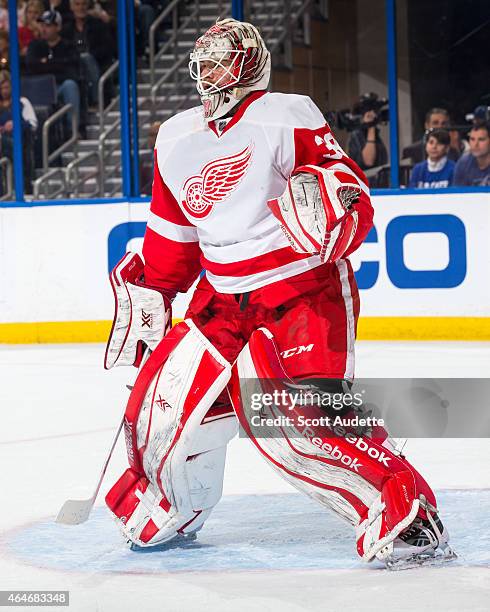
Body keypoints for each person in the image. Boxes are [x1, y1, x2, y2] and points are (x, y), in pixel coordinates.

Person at [103, 18, 453, 569]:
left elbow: (347, 190)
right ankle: (175, 504)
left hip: (300, 293)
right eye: (205, 61)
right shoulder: (174, 136)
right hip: (221, 303)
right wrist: (149, 295)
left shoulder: (284, 115)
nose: (209, 72)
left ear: (248, 64)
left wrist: (341, 209)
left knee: (295, 428)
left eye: (222, 60)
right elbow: (172, 243)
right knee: (153, 412)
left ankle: (404, 511)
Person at [25, 10, 82, 134]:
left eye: (48, 25)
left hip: (60, 86)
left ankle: (72, 130)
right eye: (42, 25)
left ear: (58, 27)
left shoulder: (68, 46)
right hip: (40, 88)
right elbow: (30, 66)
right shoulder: (35, 45)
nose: (44, 29)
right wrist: (56, 64)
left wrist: (45, 64)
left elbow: (70, 68)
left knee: (70, 85)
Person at [62, 0, 115, 105]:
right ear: (71, 7)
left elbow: (107, 48)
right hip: (73, 65)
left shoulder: (98, 25)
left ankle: (97, 100)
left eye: (83, 4)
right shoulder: (66, 29)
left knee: (86, 58)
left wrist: (89, 55)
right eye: (77, 4)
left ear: (88, 6)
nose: (80, 8)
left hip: (96, 62)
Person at [0, 70, 37, 191]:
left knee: (9, 144)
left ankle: (20, 185)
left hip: (19, 140)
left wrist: (16, 124)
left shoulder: (22, 102)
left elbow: (33, 124)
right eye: (2, 88)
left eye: (6, 87)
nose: (4, 91)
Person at [348, 93, 388, 177]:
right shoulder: (356, 135)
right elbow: (368, 161)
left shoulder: (376, 135)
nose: (374, 114)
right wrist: (371, 126)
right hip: (365, 185)